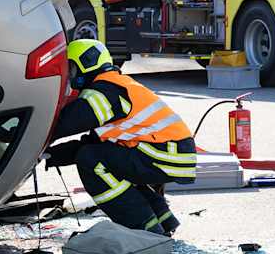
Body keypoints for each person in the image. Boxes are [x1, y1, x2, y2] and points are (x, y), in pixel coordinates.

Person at [44, 39, 196, 235]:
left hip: (164, 153)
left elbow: (65, 123)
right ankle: (163, 220)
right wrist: (51, 155)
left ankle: (142, 229)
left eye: (71, 69)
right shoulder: (116, 85)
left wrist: (31, 137)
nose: (70, 76)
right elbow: (92, 142)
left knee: (90, 161)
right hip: (169, 151)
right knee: (108, 160)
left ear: (86, 63)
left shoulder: (105, 91)